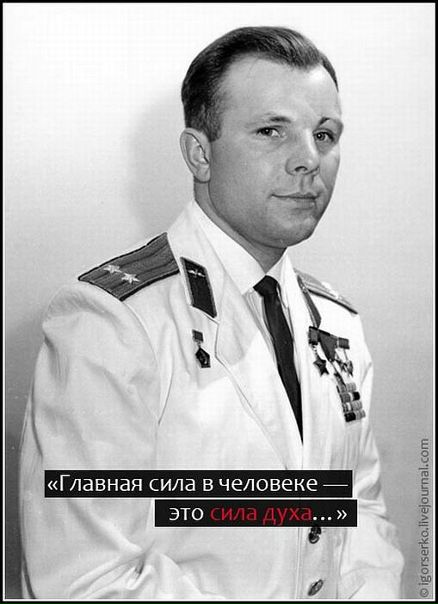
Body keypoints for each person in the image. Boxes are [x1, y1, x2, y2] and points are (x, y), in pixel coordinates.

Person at [19, 26, 404, 599]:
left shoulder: (337, 322)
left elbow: (358, 515)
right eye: (271, 130)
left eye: (324, 134)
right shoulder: (111, 323)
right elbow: (84, 581)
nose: (309, 160)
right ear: (200, 153)